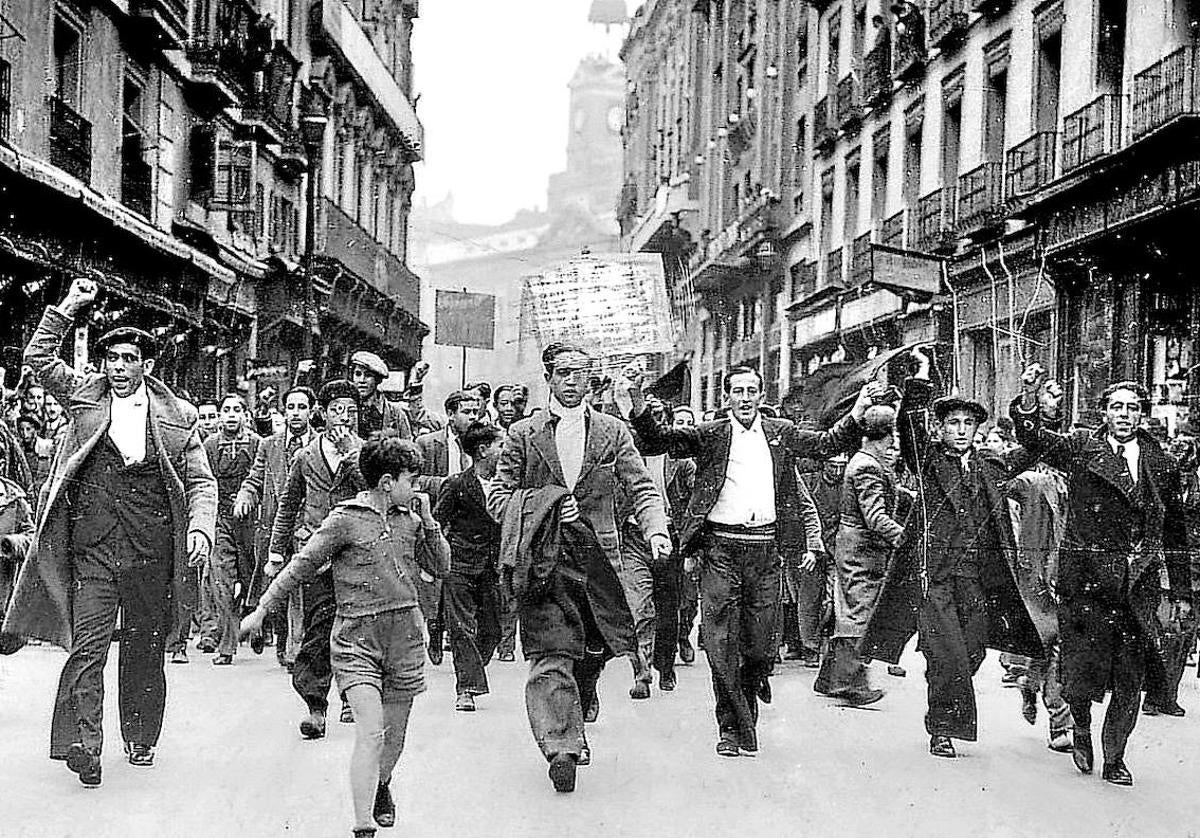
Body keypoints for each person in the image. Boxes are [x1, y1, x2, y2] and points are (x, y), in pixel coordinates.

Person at [1, 276, 216, 786]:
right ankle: (85, 743)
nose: (118, 368)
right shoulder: (86, 396)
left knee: (143, 647)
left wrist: (201, 530)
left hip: (151, 549)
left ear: (147, 363)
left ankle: (140, 736)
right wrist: (68, 306)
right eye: (111, 359)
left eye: (128, 359)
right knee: (88, 645)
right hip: (92, 549)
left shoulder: (178, 417)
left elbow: (201, 481)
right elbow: (37, 359)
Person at [626, 363, 879, 758]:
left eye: (751, 391)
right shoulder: (712, 435)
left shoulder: (780, 435)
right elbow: (658, 440)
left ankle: (754, 681)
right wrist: (639, 399)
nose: (745, 398)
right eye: (737, 391)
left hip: (765, 552)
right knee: (721, 641)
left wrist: (859, 412)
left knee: (762, 647)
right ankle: (732, 729)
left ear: (761, 396)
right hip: (720, 551)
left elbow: (826, 444)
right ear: (727, 397)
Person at [242, 437, 449, 838]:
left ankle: (381, 785)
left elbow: (442, 566)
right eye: (412, 478)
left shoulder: (412, 518)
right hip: (357, 639)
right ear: (387, 482)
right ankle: (362, 826)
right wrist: (263, 608)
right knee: (371, 732)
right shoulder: (345, 520)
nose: (417, 485)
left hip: (403, 636)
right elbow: (301, 566)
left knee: (394, 738)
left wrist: (430, 524)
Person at [487, 341, 670, 793]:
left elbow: (641, 486)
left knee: (592, 648)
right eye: (564, 372)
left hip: (599, 560)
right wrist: (547, 507)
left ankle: (583, 697)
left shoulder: (612, 431)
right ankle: (561, 747)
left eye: (581, 372)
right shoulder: (522, 434)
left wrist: (655, 529)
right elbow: (498, 497)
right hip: (542, 562)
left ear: (592, 379)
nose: (573, 381)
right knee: (551, 653)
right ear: (549, 377)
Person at [1012, 368, 1194, 785]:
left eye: (1133, 409)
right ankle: (1079, 726)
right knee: (1080, 675)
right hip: (1087, 583)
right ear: (1105, 412)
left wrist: (1181, 591)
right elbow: (1033, 439)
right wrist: (1030, 398)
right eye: (1117, 408)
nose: (1125, 415)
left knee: (1130, 677)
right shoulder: (1081, 448)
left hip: (1136, 585)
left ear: (1142, 415)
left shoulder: (1160, 464)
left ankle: (1115, 757)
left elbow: (1174, 530)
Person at [862, 348, 1044, 761]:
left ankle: (943, 687)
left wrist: (1030, 401)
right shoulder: (927, 462)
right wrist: (921, 379)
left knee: (973, 649)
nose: (961, 431)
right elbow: (908, 429)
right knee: (948, 653)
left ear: (977, 429)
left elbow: (1031, 450)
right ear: (940, 428)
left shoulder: (992, 467)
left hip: (978, 580)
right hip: (934, 578)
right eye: (952, 424)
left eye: (968, 424)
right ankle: (941, 728)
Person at [268, 379, 368, 738]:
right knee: (317, 627)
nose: (345, 418)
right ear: (321, 414)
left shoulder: (367, 452)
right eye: (337, 410)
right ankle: (315, 705)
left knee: (354, 629)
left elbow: (374, 490)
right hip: (315, 551)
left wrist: (352, 456)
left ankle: (350, 697)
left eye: (352, 412)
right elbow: (289, 503)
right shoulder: (305, 455)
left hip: (356, 554)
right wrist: (277, 549)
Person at [815, 406, 904, 706]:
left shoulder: (864, 461)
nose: (893, 444)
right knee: (859, 612)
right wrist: (904, 538)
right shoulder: (868, 466)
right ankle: (852, 682)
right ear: (884, 437)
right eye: (891, 437)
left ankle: (829, 678)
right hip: (862, 549)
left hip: (853, 544)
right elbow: (876, 517)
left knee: (848, 606)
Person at [234, 385, 317, 671]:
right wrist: (246, 495)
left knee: (301, 591)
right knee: (276, 589)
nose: (295, 413)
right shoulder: (269, 445)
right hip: (274, 530)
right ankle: (282, 638)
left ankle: (296, 648)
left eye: (302, 407)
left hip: (307, 529)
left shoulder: (318, 445)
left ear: (312, 411)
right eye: (291, 407)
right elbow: (255, 479)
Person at [434, 422, 506, 711]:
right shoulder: (457, 484)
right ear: (483, 450)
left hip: (493, 565)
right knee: (462, 628)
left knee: (493, 630)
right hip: (459, 564)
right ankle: (466, 688)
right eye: (501, 445)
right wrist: (437, 560)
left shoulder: (508, 485)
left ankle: (471, 666)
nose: (506, 450)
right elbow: (436, 524)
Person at [414, 390, 484, 664]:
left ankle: (449, 630)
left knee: (456, 580)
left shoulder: (481, 444)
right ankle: (435, 627)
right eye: (466, 412)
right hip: (439, 517)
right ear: (451, 415)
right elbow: (415, 479)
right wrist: (447, 484)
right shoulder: (429, 443)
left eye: (475, 412)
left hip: (467, 524)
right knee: (437, 576)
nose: (472, 418)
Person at [203, 394, 262, 666]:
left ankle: (257, 625)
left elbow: (262, 480)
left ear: (244, 415)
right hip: (220, 518)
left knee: (253, 578)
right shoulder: (210, 445)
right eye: (226, 410)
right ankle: (227, 646)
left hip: (249, 520)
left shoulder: (256, 444)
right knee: (222, 581)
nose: (230, 415)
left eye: (236, 410)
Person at [795, 454, 847, 667]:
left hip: (838, 549)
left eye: (841, 466)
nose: (836, 471)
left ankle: (827, 645)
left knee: (834, 601)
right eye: (832, 466)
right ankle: (810, 647)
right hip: (812, 548)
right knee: (809, 599)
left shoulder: (848, 485)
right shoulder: (809, 481)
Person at [670, 406, 702, 664]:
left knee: (689, 595)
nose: (682, 427)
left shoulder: (692, 461)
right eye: (678, 422)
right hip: (663, 532)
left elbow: (698, 497)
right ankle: (669, 640)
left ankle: (683, 634)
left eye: (688, 423)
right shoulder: (662, 454)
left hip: (688, 535)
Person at [349, 351, 413, 441]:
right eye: (358, 374)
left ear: (377, 380)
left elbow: (407, 445)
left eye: (368, 375)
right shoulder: (347, 410)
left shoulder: (396, 414)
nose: (362, 380)